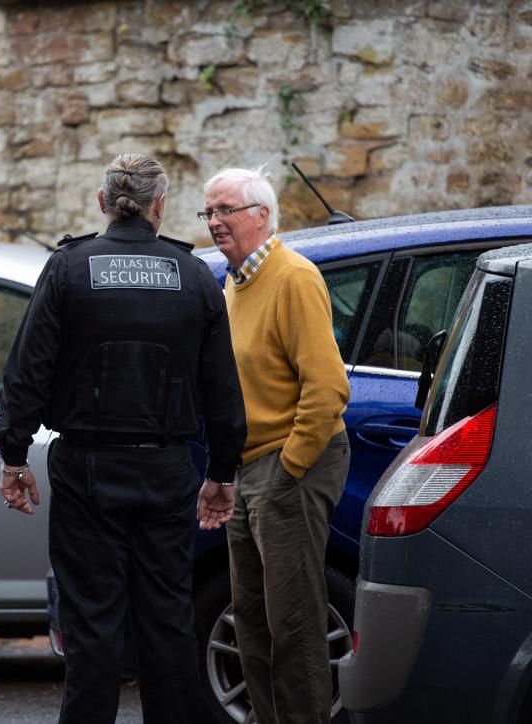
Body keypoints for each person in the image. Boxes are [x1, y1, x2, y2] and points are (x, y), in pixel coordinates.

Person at [0, 153, 246, 724]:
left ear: (104, 203)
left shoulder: (68, 268)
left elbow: (27, 371)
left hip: (87, 472)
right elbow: (223, 390)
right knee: (167, 624)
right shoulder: (193, 276)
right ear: (160, 207)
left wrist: (13, 453)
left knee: (92, 628)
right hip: (165, 471)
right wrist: (223, 473)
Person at [198, 166, 351, 724]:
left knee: (294, 624)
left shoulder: (292, 277)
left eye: (225, 211)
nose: (214, 222)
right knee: (252, 622)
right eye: (208, 212)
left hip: (290, 463)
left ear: (261, 215)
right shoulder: (236, 282)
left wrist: (289, 469)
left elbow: (330, 387)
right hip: (251, 468)